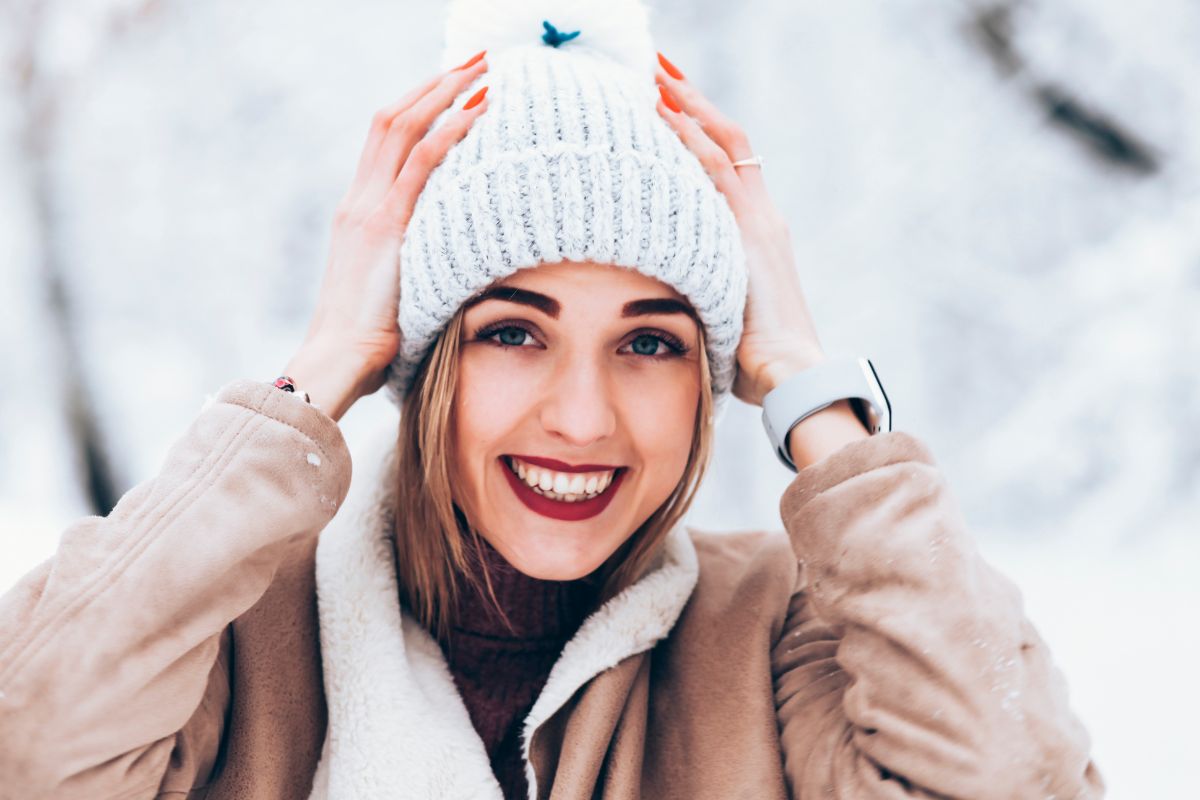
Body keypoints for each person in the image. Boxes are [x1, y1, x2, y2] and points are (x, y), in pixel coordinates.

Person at [0, 1, 1104, 798]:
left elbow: (1016, 779)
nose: (583, 416)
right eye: (514, 333)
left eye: (653, 343)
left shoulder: (784, 633)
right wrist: (324, 363)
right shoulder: (231, 633)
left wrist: (811, 389)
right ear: (425, 363)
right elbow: (31, 750)